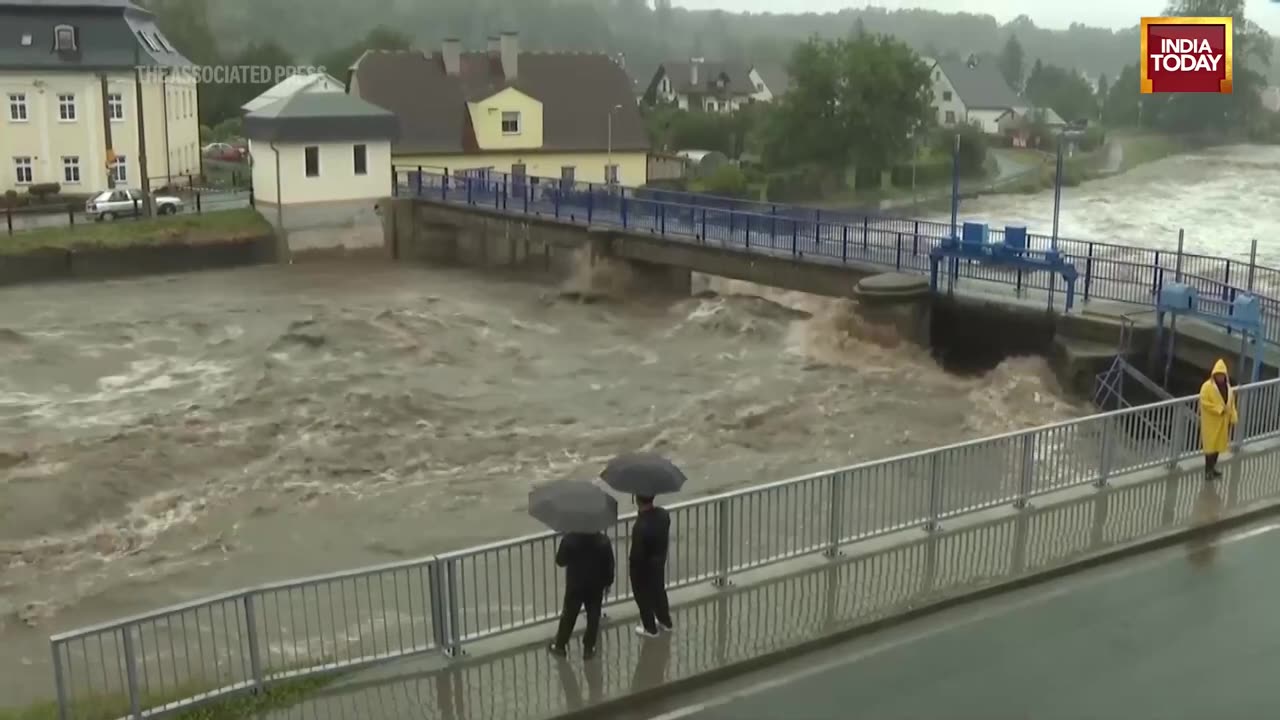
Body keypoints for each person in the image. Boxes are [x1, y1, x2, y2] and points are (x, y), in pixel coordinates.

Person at [548, 530, 614, 660]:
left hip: (575, 585)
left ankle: (560, 645)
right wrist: (608, 582)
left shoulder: (570, 539)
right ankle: (589, 648)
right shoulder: (603, 541)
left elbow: (560, 561)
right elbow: (610, 564)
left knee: (569, 615)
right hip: (595, 584)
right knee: (594, 614)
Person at [629, 495, 673, 638]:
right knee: (659, 591)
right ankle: (665, 622)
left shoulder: (640, 526)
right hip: (659, 563)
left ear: (637, 500)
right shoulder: (663, 515)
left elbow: (637, 554)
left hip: (643, 568)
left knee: (643, 597)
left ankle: (650, 628)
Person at [1198, 358, 1238, 480]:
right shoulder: (1207, 387)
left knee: (1217, 447)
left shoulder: (1228, 388)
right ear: (1214, 375)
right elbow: (1204, 402)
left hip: (1223, 423)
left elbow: (1231, 404)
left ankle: (1213, 468)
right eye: (1218, 375)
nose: (1220, 377)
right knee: (1210, 447)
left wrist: (1233, 415)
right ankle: (1207, 471)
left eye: (1222, 375)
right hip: (1211, 423)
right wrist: (1218, 409)